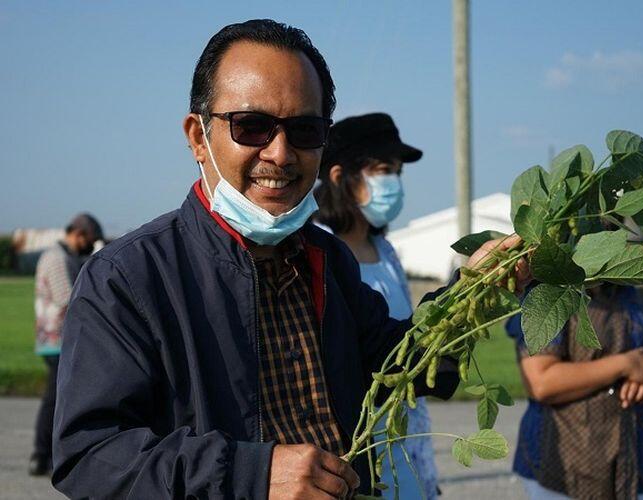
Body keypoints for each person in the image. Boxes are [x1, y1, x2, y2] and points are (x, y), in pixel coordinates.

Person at [51, 20, 522, 499]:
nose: (280, 153)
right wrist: (251, 475)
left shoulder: (326, 258)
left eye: (304, 130)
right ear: (198, 137)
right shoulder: (128, 278)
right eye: (251, 126)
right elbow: (90, 456)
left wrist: (470, 296)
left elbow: (394, 365)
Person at [315, 113, 439, 499]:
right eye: (384, 170)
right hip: (356, 443)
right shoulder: (317, 251)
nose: (394, 183)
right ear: (339, 177)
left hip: (408, 431)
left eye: (398, 172)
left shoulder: (385, 251)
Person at [505, 283, 643, 500]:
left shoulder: (624, 287)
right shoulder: (548, 288)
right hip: (567, 467)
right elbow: (541, 382)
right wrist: (624, 365)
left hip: (633, 461)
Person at [30, 213, 102, 476]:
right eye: (89, 241)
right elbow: (66, 298)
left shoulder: (64, 257)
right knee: (55, 399)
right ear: (79, 234)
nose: (89, 246)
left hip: (57, 338)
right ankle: (41, 454)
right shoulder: (57, 258)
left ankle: (43, 454)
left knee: (57, 398)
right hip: (56, 339)